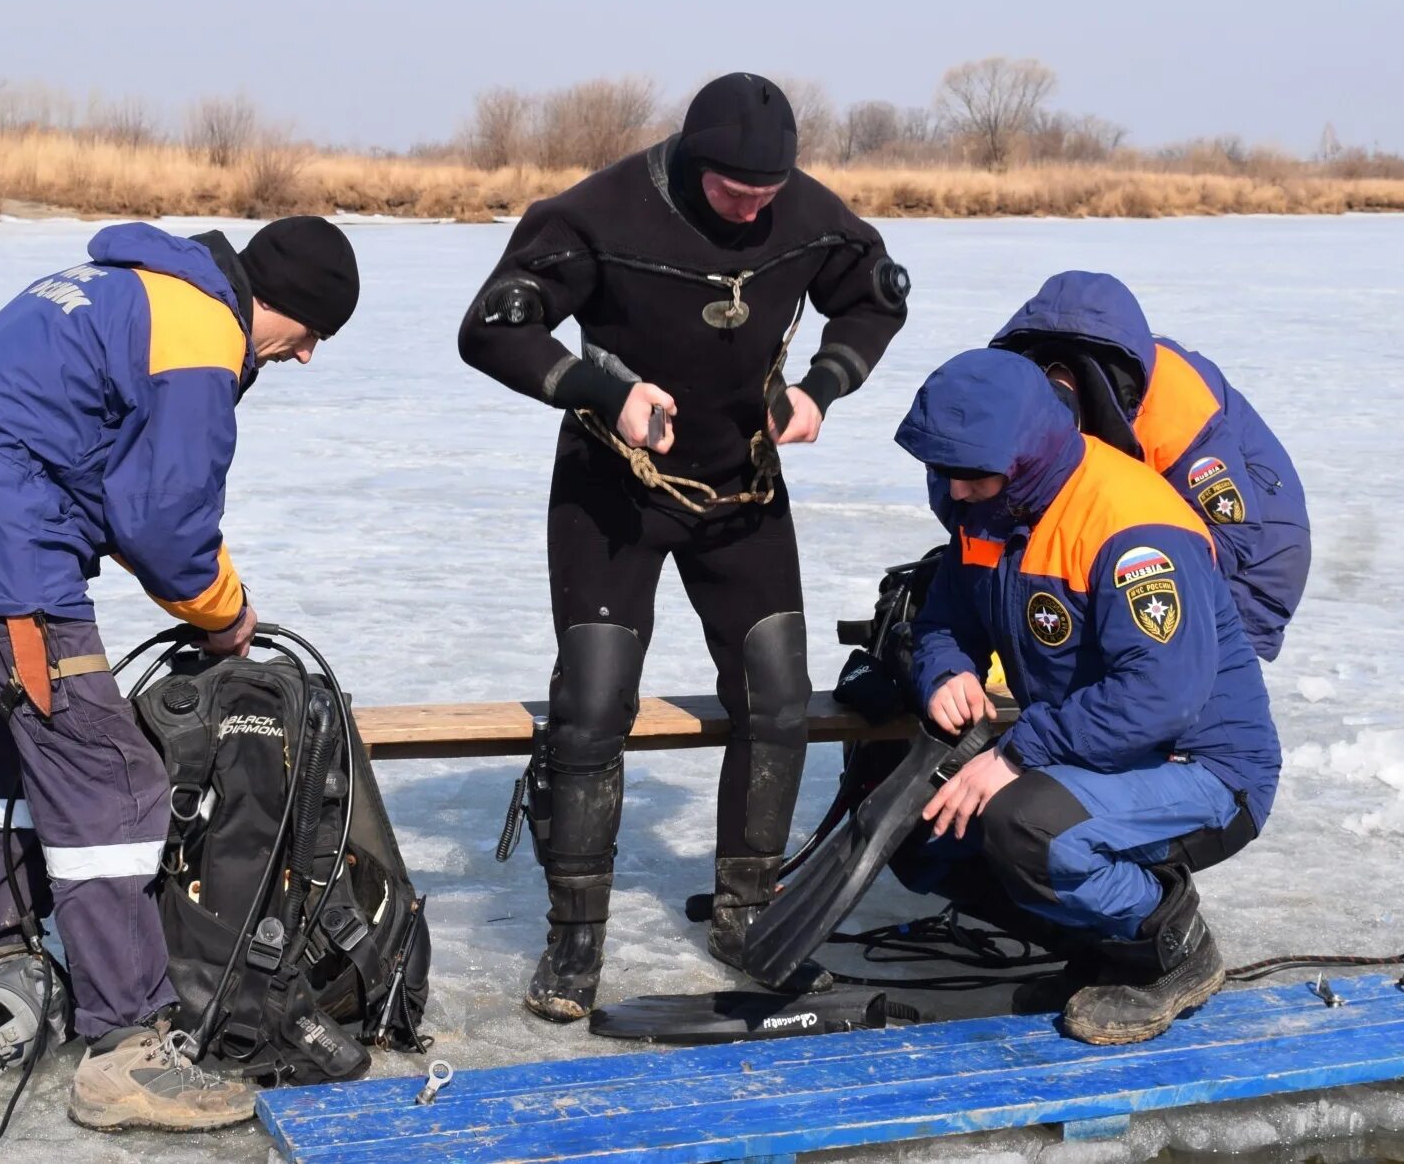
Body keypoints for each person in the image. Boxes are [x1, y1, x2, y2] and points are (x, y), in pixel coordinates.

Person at [0, 216, 360, 1129]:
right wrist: (227, 614)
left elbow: (93, 456)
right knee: (111, 778)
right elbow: (165, 522)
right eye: (310, 337)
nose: (305, 359)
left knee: (7, 759)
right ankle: (126, 1049)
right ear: (283, 310)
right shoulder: (199, 334)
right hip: (1, 545)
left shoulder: (136, 283)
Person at [458, 73, 910, 1021]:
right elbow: (491, 328)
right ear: (694, 158)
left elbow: (876, 300)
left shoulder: (810, 216)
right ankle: (573, 945)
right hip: (613, 489)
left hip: (743, 490)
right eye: (738, 190)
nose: (755, 207)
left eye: (769, 192)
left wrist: (821, 387)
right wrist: (596, 387)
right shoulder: (595, 215)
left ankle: (747, 916)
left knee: (779, 698)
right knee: (591, 709)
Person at [894, 348, 1280, 1044]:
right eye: (940, 471)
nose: (952, 491)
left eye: (965, 474)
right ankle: (1099, 949)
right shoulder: (991, 504)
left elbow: (1160, 695)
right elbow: (946, 618)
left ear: (1020, 455)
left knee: (1026, 825)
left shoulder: (1132, 529)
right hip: (1094, 751)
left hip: (1203, 769)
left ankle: (1167, 942)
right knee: (923, 832)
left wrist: (1018, 755)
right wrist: (947, 670)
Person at [983, 270, 1310, 660]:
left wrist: (1105, 585)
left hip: (1254, 558)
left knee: (1179, 679)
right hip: (1161, 520)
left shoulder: (1174, 405)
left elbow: (1229, 532)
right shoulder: (1018, 386)